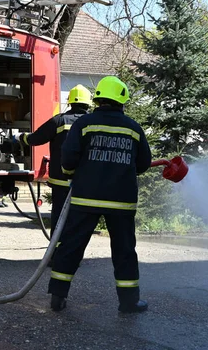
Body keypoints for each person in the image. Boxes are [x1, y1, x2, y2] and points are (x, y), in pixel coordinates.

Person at [48, 76, 152, 313]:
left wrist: (70, 172)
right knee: (124, 250)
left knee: (71, 246)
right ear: (122, 100)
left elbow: (68, 157)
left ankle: (58, 297)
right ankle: (129, 301)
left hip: (85, 198)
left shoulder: (84, 124)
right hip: (121, 202)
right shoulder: (134, 129)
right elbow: (143, 164)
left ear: (98, 99)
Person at [18, 84, 92, 239]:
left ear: (70, 102)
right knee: (78, 220)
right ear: (88, 103)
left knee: (59, 219)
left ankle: (56, 254)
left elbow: (35, 139)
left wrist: (20, 138)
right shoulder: (92, 122)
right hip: (84, 182)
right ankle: (73, 257)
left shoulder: (59, 120)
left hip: (60, 181)